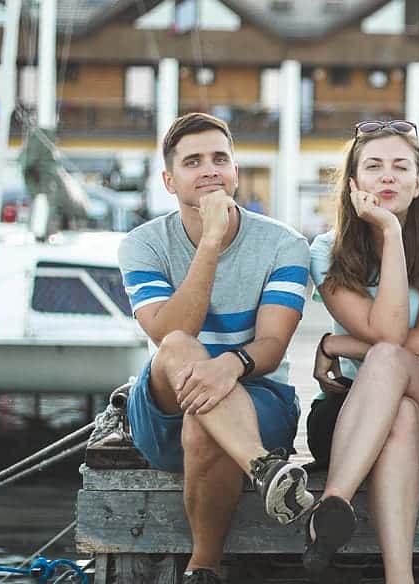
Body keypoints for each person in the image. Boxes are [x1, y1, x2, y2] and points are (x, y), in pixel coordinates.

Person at [118, 113, 314, 584]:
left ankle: (203, 567)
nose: (209, 170)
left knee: (203, 418)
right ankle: (264, 469)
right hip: (164, 407)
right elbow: (168, 333)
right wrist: (209, 242)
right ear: (169, 180)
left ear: (235, 170)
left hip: (258, 398)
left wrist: (231, 364)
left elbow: (271, 344)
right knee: (183, 346)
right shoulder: (141, 245)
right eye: (193, 162)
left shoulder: (284, 244)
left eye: (219, 158)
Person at [307, 120, 419, 583]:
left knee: (386, 360)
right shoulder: (326, 249)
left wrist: (337, 342)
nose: (387, 177)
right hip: (349, 415)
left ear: (418, 183)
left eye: (401, 167)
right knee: (397, 411)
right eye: (374, 167)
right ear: (353, 182)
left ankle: (332, 502)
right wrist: (386, 234)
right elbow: (388, 329)